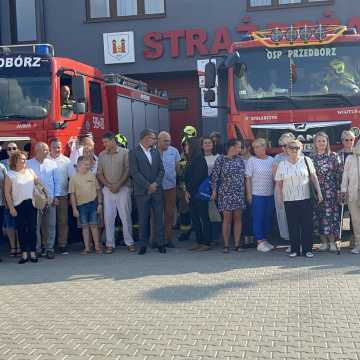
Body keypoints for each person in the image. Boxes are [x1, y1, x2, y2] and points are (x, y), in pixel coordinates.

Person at [275, 140, 323, 258]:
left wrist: (319, 192)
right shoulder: (282, 164)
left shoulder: (306, 160)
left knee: (307, 225)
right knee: (292, 226)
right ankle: (295, 250)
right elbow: (279, 184)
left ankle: (307, 250)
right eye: (291, 148)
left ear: (301, 149)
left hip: (305, 198)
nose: (294, 150)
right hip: (289, 199)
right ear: (286, 149)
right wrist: (280, 198)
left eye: (297, 148)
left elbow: (313, 177)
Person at [129, 129, 166, 255]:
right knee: (143, 219)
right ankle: (143, 245)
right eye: (153, 138)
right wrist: (148, 186)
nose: (155, 140)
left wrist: (155, 184)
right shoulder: (134, 153)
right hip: (142, 192)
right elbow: (134, 173)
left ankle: (161, 243)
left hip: (156, 190)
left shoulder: (155, 152)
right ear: (145, 138)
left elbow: (161, 170)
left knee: (159, 218)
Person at [97, 132, 135, 254]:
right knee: (109, 217)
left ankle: (129, 242)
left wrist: (118, 184)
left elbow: (128, 170)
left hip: (123, 188)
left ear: (113, 141)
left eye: (106, 142)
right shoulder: (101, 155)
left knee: (125, 216)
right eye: (103, 142)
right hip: (108, 190)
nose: (104, 144)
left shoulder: (125, 152)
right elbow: (99, 173)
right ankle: (110, 244)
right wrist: (108, 185)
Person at [309, 132, 342, 252]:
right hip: (317, 192)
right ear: (315, 143)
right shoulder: (311, 158)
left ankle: (332, 242)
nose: (321, 143)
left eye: (323, 141)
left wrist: (339, 191)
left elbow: (339, 174)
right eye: (319, 141)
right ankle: (323, 243)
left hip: (331, 191)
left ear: (327, 142)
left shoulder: (333, 156)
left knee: (331, 217)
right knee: (319, 216)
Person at [211, 139, 246, 253]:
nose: (240, 149)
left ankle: (237, 245)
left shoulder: (240, 160)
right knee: (227, 219)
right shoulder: (220, 159)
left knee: (238, 218)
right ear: (232, 147)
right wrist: (214, 191)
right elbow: (215, 177)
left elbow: (244, 177)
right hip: (225, 192)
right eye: (239, 146)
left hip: (238, 192)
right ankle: (226, 245)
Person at [28, 142, 61, 259]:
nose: (47, 152)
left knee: (51, 225)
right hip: (36, 200)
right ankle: (37, 248)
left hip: (51, 199)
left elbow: (57, 181)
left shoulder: (52, 164)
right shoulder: (28, 164)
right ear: (37, 151)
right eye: (45, 150)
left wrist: (56, 196)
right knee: (36, 225)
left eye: (47, 150)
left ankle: (50, 249)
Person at [4, 151, 38, 264]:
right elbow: (7, 193)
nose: (24, 161)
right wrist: (11, 207)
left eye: (25, 159)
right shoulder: (10, 174)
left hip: (31, 204)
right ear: (15, 161)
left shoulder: (30, 171)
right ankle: (24, 253)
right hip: (18, 205)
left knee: (33, 229)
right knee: (21, 230)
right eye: (21, 159)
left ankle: (32, 252)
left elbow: (38, 184)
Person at [245, 138, 275, 252]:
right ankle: (259, 241)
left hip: (270, 194)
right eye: (255, 147)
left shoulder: (272, 160)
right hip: (257, 194)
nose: (257, 149)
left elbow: (274, 178)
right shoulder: (251, 161)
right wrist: (249, 194)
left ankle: (265, 240)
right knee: (258, 218)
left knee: (268, 218)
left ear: (265, 147)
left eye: (259, 146)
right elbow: (248, 179)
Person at [69, 156, 103, 255]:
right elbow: (72, 195)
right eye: (85, 165)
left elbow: (98, 190)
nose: (88, 166)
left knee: (94, 225)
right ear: (79, 165)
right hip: (81, 206)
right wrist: (74, 209)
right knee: (85, 227)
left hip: (92, 204)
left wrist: (100, 204)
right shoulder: (73, 178)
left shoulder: (92, 176)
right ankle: (87, 248)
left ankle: (97, 246)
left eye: (89, 165)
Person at [184, 137, 211, 251]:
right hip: (191, 193)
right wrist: (186, 190)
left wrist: (188, 190)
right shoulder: (191, 159)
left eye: (186, 145)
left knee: (203, 217)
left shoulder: (199, 159)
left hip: (199, 193)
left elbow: (198, 177)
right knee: (195, 218)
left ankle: (206, 242)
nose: (185, 147)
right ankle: (198, 241)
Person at [157, 131, 181, 248]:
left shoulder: (174, 151)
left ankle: (168, 238)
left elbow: (177, 168)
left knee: (169, 213)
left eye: (169, 141)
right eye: (165, 141)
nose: (168, 143)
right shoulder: (152, 151)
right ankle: (156, 239)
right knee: (156, 214)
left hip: (170, 187)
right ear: (158, 140)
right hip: (156, 188)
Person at [272, 133, 295, 249]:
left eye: (286, 145)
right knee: (284, 216)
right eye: (282, 145)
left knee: (296, 216)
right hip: (281, 189)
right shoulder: (277, 158)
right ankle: (291, 241)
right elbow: (276, 177)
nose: (283, 148)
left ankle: (297, 240)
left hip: (296, 190)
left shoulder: (300, 157)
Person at [48, 138, 71, 254]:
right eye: (54, 147)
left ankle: (62, 244)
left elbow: (71, 178)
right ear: (49, 148)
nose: (57, 149)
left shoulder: (67, 161)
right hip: (48, 196)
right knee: (48, 222)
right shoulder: (45, 160)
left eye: (59, 147)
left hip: (62, 195)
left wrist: (72, 196)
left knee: (63, 221)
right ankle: (48, 245)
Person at [341, 140, 360, 254]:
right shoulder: (350, 158)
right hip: (353, 194)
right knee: (356, 221)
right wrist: (343, 190)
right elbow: (345, 175)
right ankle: (358, 245)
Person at [1, 142, 20, 256]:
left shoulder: (22, 163)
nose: (11, 150)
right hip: (7, 197)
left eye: (14, 148)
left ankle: (19, 246)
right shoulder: (1, 164)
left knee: (19, 223)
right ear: (6, 151)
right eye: (9, 149)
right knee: (9, 224)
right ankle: (13, 247)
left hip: (19, 196)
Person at [240, 140, 254, 248]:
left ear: (248, 148)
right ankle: (245, 239)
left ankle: (253, 238)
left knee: (252, 215)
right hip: (241, 190)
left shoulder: (253, 159)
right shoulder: (238, 160)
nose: (240, 150)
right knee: (244, 215)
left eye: (243, 147)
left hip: (253, 189)